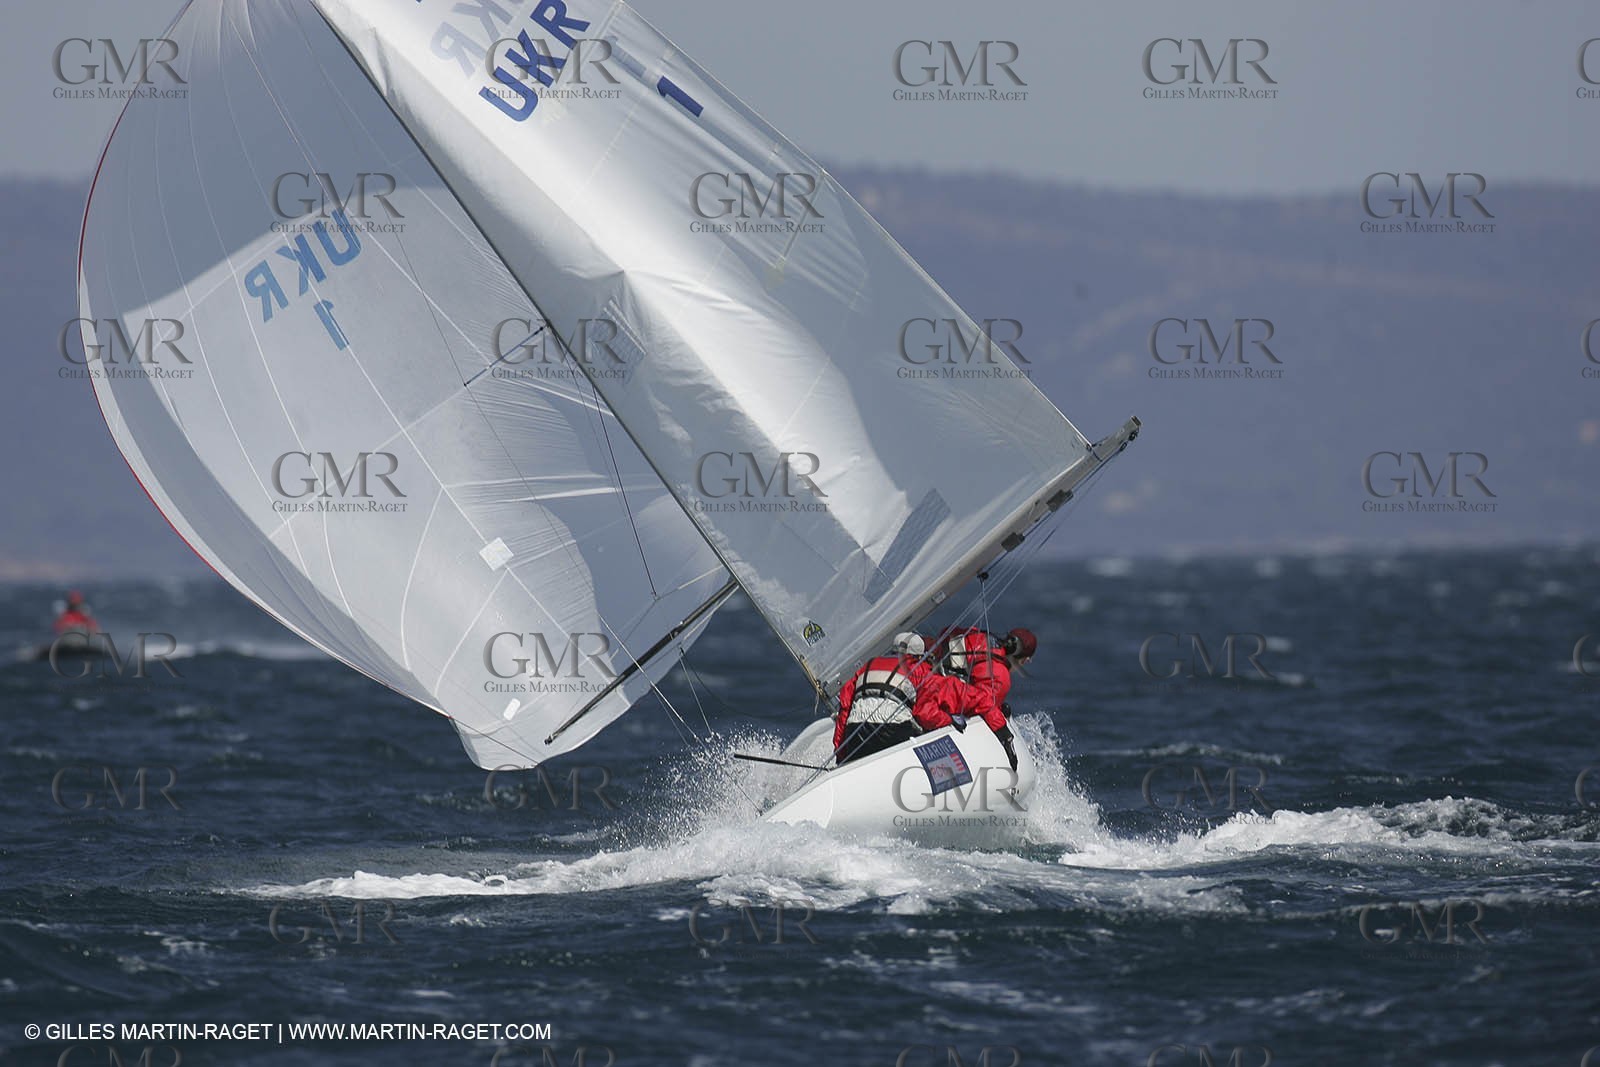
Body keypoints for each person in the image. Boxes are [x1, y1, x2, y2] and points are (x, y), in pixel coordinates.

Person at [833, 633, 1017, 768]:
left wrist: (841, 757)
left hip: (855, 732)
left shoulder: (865, 667)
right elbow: (926, 713)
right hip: (893, 732)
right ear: (919, 657)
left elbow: (843, 714)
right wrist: (1004, 735)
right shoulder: (922, 672)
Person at [933, 625, 1036, 707]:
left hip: (926, 666)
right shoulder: (1001, 676)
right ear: (1024, 660)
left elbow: (947, 633)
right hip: (935, 695)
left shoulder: (975, 634)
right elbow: (984, 707)